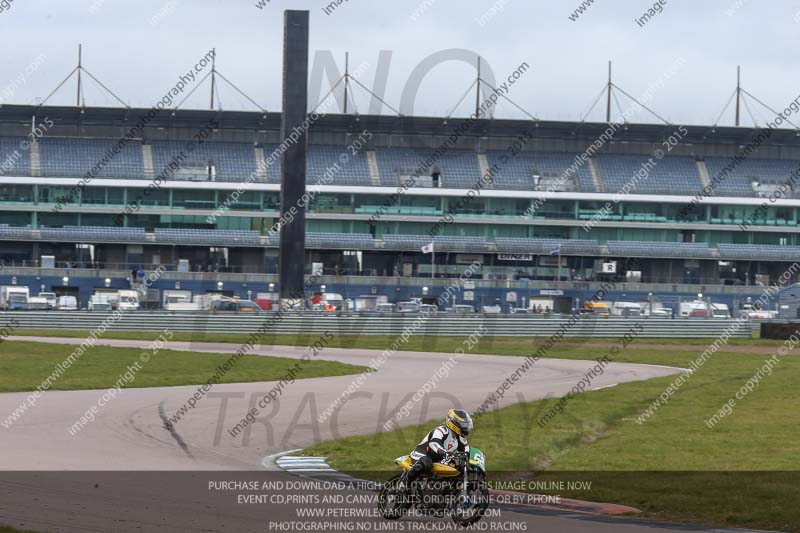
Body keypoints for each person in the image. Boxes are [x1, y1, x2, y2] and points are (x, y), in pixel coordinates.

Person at [403, 409, 472, 484]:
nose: (465, 427)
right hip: (422, 453)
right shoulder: (441, 430)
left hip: (439, 458)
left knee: (458, 468)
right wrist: (444, 452)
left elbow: (466, 451)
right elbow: (434, 443)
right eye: (462, 424)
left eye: (466, 424)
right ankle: (404, 483)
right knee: (426, 464)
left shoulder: (461, 439)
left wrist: (467, 463)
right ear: (453, 422)